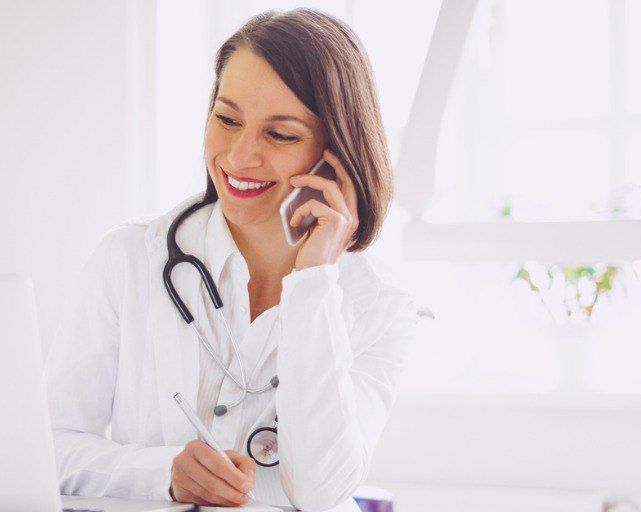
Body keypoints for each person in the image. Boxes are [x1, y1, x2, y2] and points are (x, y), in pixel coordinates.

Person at [45, 8, 417, 512]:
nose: (240, 157)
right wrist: (162, 473)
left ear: (337, 154)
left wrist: (313, 283)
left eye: (280, 134)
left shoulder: (379, 307)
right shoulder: (129, 261)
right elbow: (49, 449)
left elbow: (321, 490)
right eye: (227, 119)